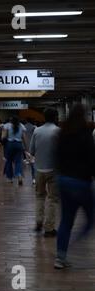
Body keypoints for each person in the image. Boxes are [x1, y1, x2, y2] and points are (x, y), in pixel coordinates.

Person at [54, 105, 95, 269]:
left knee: (66, 221)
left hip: (64, 181)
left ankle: (60, 257)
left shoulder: (63, 134)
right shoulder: (86, 134)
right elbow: (92, 160)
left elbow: (56, 156)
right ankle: (76, 244)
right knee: (91, 219)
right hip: (81, 183)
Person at [29, 109, 60, 237]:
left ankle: (38, 221)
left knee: (40, 196)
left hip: (39, 169)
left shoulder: (37, 131)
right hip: (54, 170)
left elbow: (31, 151)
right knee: (53, 199)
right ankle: (49, 228)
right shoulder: (58, 131)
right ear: (55, 117)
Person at [2, 116, 26, 185]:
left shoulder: (7, 126)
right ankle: (19, 175)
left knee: (9, 161)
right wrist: (26, 148)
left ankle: (9, 178)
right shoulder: (21, 126)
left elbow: (4, 137)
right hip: (19, 144)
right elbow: (24, 138)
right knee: (18, 161)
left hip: (9, 145)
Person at [24, 118, 37, 184]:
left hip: (26, 140)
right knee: (33, 158)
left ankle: (27, 160)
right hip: (32, 141)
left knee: (27, 151)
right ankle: (34, 178)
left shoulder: (24, 126)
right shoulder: (34, 127)